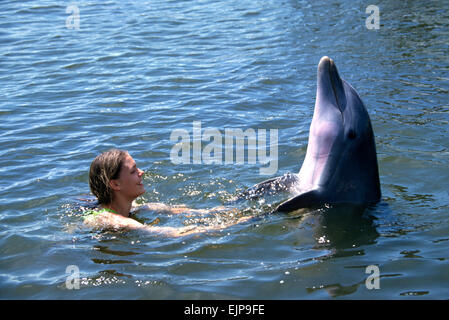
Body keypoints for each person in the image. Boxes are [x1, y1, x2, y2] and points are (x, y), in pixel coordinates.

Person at [84, 148, 249, 236]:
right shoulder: (112, 220)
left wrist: (229, 208)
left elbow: (189, 212)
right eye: (134, 171)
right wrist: (238, 224)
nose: (142, 173)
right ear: (115, 184)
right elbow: (174, 233)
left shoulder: (134, 207)